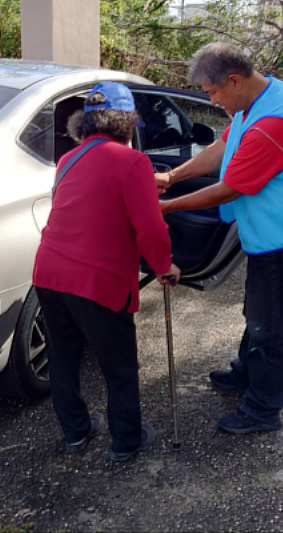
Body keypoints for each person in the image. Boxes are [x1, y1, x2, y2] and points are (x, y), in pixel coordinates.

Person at [155, 42, 283, 434]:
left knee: (271, 323)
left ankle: (264, 409)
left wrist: (167, 207)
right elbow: (221, 147)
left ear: (233, 80)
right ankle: (247, 372)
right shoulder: (264, 96)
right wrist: (172, 176)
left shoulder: (274, 124)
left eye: (213, 92)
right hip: (277, 228)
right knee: (258, 312)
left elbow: (230, 187)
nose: (211, 100)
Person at [33, 82, 180, 462]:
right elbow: (150, 229)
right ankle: (126, 439)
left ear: (86, 123)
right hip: (96, 280)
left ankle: (76, 432)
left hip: (49, 272)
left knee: (63, 357)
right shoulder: (133, 162)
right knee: (118, 364)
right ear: (126, 121)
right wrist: (164, 267)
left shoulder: (68, 160)